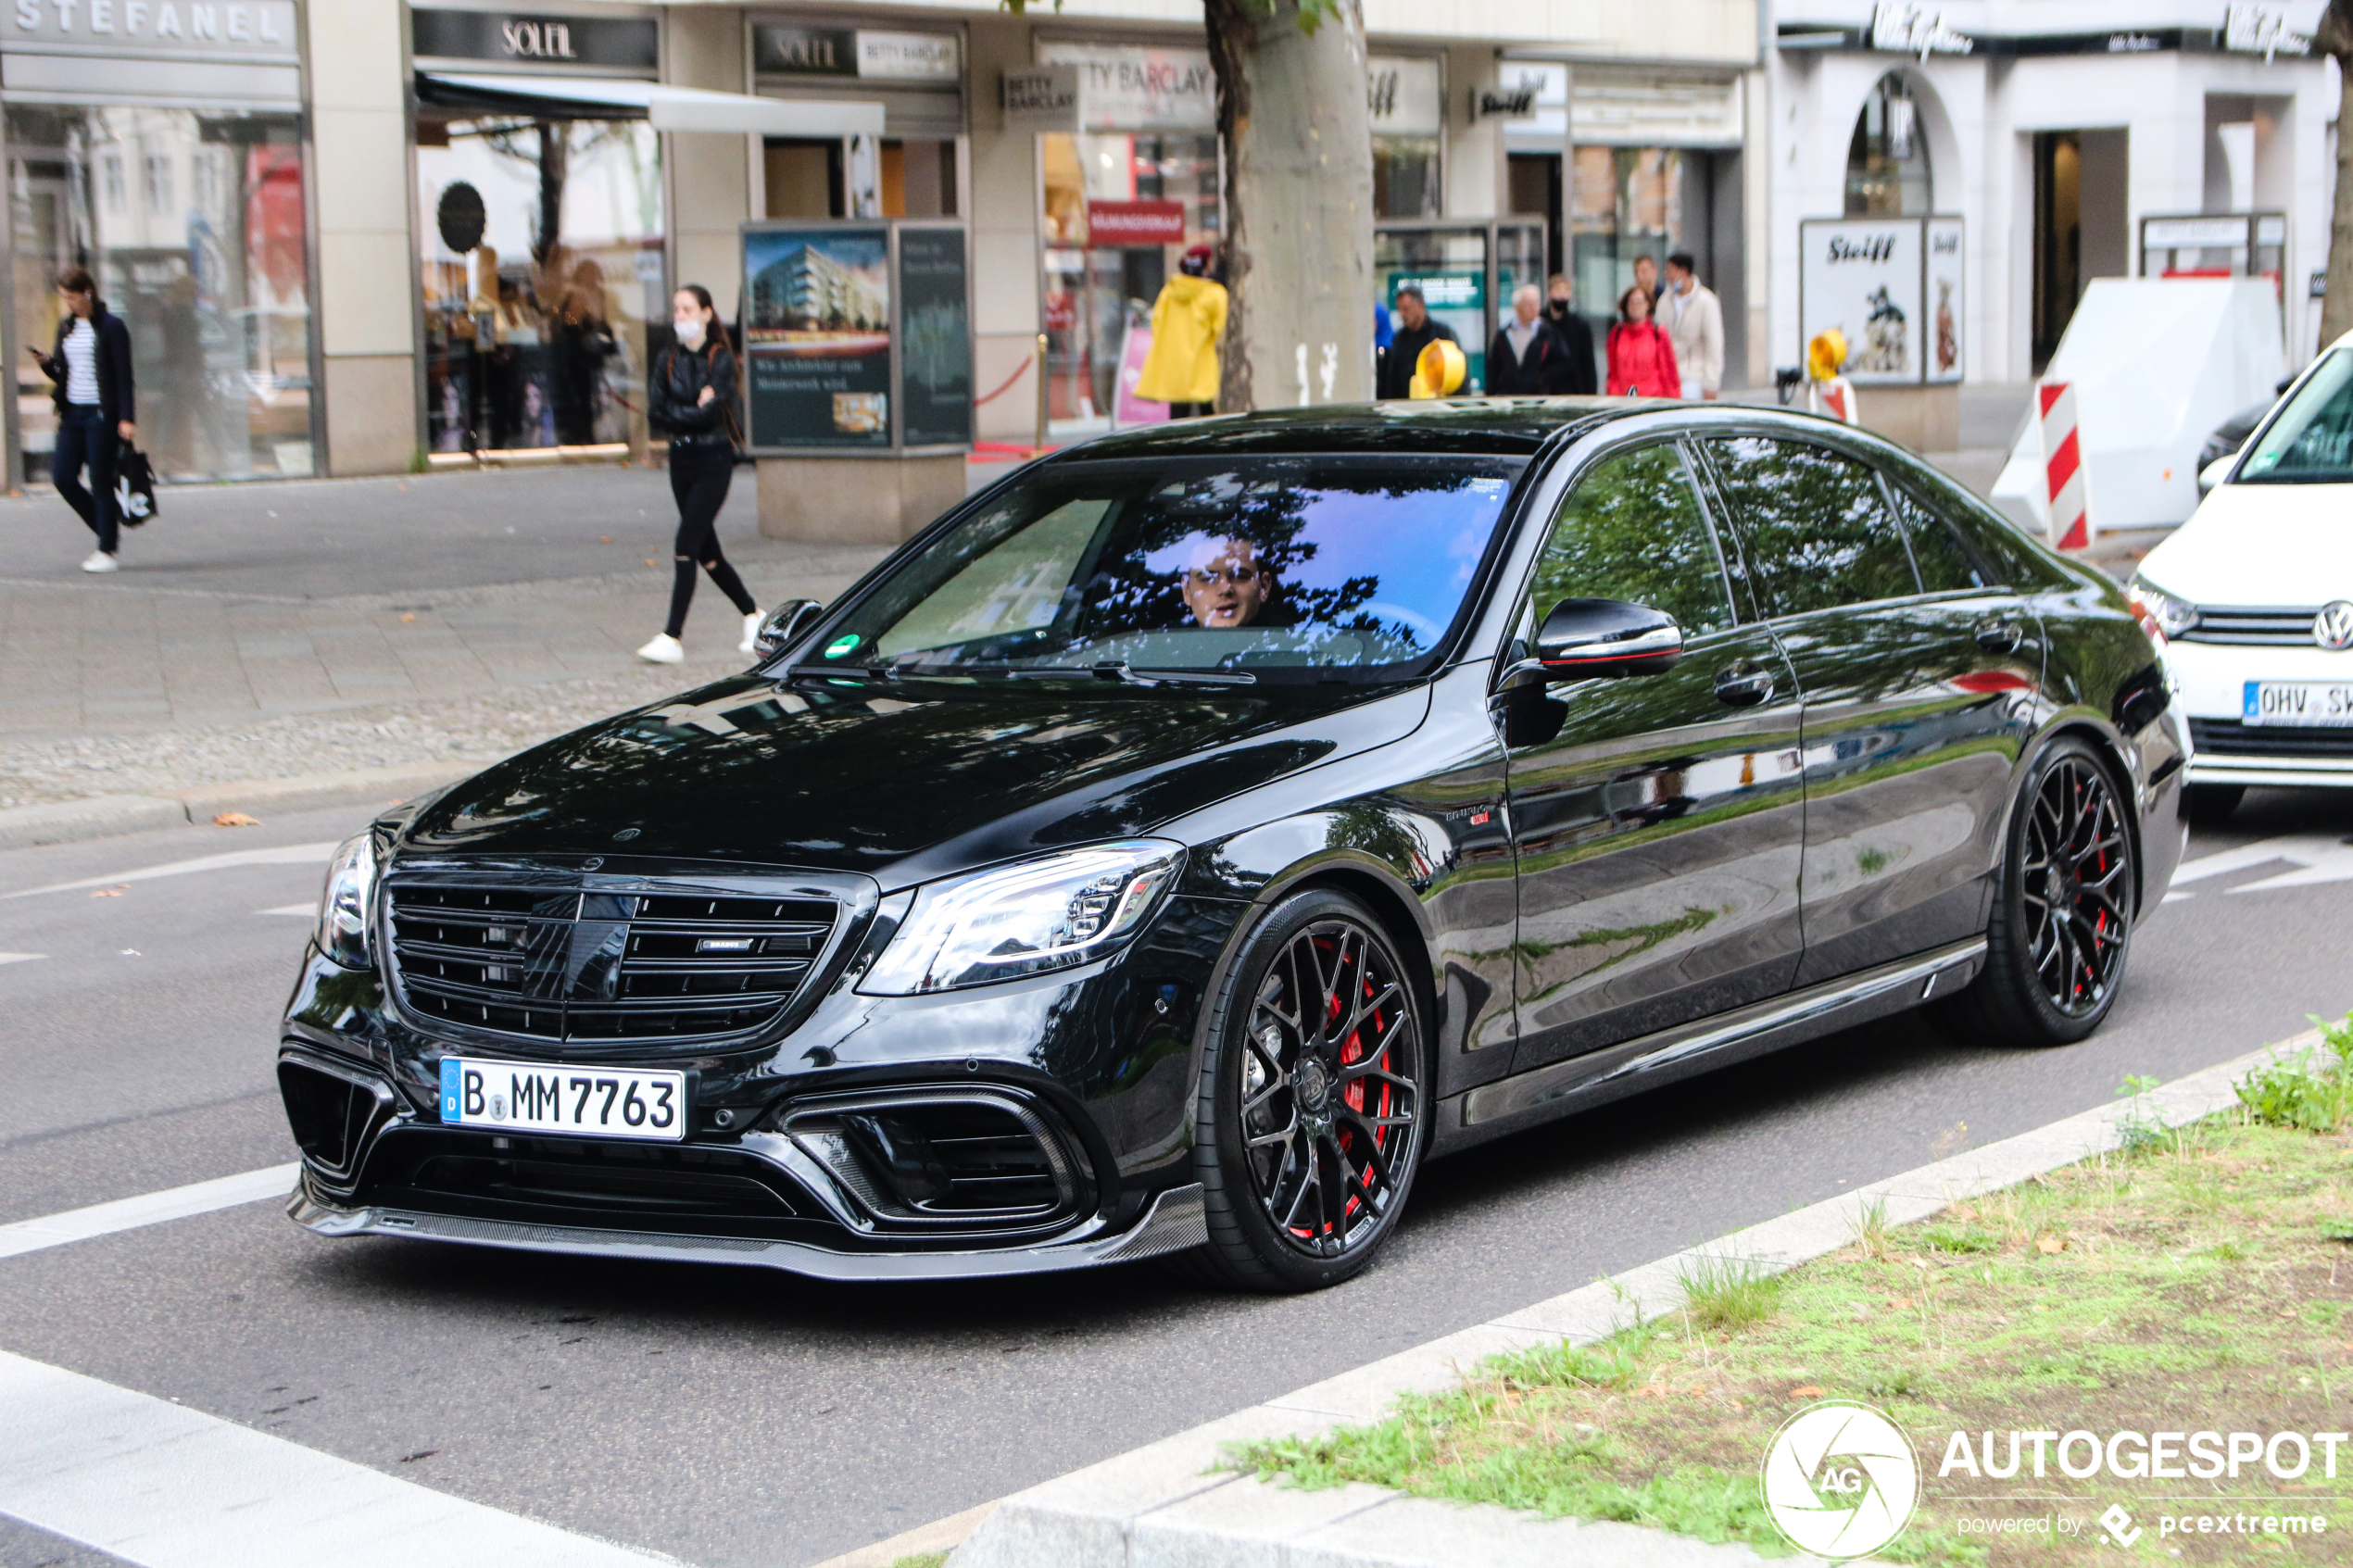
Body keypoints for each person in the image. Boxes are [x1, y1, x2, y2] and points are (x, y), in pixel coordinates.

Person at [635, 285, 761, 665]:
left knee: (686, 543)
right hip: (681, 460)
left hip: (714, 459)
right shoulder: (668, 358)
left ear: (707, 313)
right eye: (676, 309)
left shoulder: (720, 359)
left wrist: (682, 411)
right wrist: (691, 407)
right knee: (708, 553)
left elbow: (711, 413)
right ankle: (754, 615)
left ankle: (672, 636)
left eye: (687, 309)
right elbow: (655, 411)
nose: (680, 316)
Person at [30, 267, 135, 573]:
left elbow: (124, 377)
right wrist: (48, 364)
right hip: (72, 413)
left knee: (100, 479)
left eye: (72, 297)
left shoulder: (112, 327)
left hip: (100, 414)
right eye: (64, 297)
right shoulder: (66, 328)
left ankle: (106, 549)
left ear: (87, 293)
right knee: (62, 477)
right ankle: (108, 524)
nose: (68, 303)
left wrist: (127, 418)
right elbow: (62, 374)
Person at [1135, 245, 1227, 418]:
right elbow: (1218, 328)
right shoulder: (1216, 293)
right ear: (1207, 264)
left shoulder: (1169, 292)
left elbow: (1157, 324)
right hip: (1202, 367)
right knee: (1209, 418)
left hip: (1176, 369)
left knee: (1177, 422)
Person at [1486, 283, 1579, 396]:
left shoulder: (1548, 333)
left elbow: (1564, 363)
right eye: (1529, 304)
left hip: (1539, 397)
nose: (1534, 308)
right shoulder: (1505, 334)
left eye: (1537, 303)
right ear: (1517, 307)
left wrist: (1541, 378)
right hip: (1509, 397)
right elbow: (1494, 367)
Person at [1658, 252, 1725, 402]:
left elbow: (1714, 344)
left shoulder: (1706, 302)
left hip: (1693, 378)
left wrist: (1711, 384)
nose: (1666, 274)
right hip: (1667, 377)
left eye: (1670, 269)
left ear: (1683, 271)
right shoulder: (1665, 300)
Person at [1377, 285, 1458, 399]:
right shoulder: (1399, 339)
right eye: (1399, 309)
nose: (1401, 314)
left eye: (1406, 309)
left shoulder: (1442, 334)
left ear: (1420, 306)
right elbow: (1392, 380)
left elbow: (1457, 374)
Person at [1605, 284, 1680, 398]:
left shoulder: (1658, 334)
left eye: (1639, 302)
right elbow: (1612, 372)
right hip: (1622, 399)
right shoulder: (1617, 333)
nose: (1635, 306)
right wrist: (1613, 393)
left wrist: (1673, 399)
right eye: (1632, 302)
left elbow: (1669, 373)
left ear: (1648, 305)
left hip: (1652, 400)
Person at [1179, 535, 1272, 628]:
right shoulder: (1168, 636)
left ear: (1264, 587)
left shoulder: (1284, 635)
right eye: (1207, 578)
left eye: (1239, 576)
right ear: (1186, 591)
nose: (1225, 589)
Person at [1542, 274, 1599, 395]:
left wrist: (1590, 393)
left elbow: (1588, 363)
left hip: (1573, 389)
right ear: (1549, 294)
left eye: (1566, 291)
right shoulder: (1539, 323)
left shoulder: (1580, 325)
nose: (1562, 296)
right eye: (1558, 290)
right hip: (1545, 389)